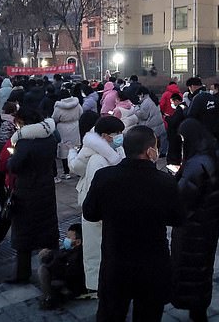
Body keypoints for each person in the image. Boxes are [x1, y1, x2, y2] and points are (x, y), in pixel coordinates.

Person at [82, 126, 184, 322]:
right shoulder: (165, 182)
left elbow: (90, 213)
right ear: (149, 151)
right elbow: (178, 218)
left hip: (116, 261)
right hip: (152, 264)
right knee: (148, 315)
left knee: (111, 313)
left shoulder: (105, 177)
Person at [171, 119, 219, 322]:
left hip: (192, 228)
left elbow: (181, 199)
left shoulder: (197, 164)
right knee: (204, 268)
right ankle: (200, 309)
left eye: (184, 138)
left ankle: (195, 310)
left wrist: (175, 180)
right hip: (210, 223)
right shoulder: (218, 157)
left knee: (189, 269)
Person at [68, 116, 125, 294]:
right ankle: (99, 287)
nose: (120, 137)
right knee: (97, 250)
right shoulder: (97, 160)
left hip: (108, 211)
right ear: (105, 136)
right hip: (98, 213)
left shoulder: (114, 150)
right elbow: (97, 195)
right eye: (117, 134)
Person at [6, 107, 59, 283]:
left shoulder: (24, 142)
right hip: (46, 187)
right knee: (48, 227)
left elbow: (14, 166)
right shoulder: (50, 137)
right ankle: (54, 267)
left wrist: (9, 159)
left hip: (27, 190)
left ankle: (22, 273)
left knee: (23, 231)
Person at [38, 223, 86, 310]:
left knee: (43, 270)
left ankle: (50, 298)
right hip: (65, 277)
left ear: (78, 242)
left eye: (69, 237)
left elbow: (67, 272)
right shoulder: (70, 250)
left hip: (71, 285)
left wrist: (51, 259)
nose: (66, 239)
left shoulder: (77, 256)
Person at [185, 78, 219, 151]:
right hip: (216, 129)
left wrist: (184, 110)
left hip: (203, 132)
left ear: (192, 86)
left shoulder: (197, 98)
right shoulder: (211, 96)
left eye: (189, 88)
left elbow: (190, 115)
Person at [52, 90, 83, 181]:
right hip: (75, 126)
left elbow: (55, 118)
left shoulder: (58, 106)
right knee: (75, 147)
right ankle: (78, 170)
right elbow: (81, 113)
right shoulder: (76, 104)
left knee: (64, 149)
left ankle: (66, 172)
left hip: (63, 127)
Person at [135, 87, 166, 151]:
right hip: (157, 124)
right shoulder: (152, 98)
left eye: (139, 96)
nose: (139, 97)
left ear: (142, 94)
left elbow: (143, 115)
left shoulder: (146, 102)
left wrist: (136, 108)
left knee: (150, 143)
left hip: (151, 125)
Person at [165, 93, 187, 166]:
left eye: (172, 102)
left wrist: (167, 118)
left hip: (175, 134)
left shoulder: (180, 109)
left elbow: (174, 121)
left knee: (174, 153)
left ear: (177, 101)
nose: (172, 104)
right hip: (178, 134)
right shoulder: (184, 107)